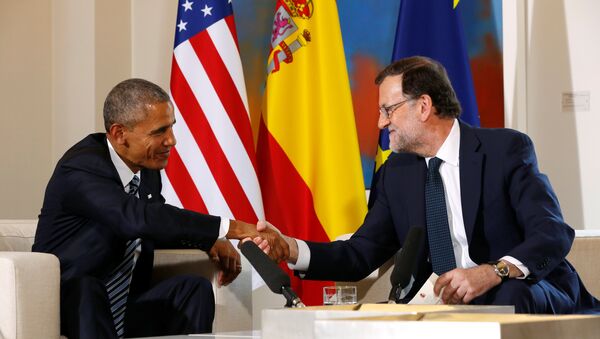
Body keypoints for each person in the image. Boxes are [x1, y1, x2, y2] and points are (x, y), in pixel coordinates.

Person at [272, 56, 598, 313]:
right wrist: (292, 248)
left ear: (424, 106)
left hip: (522, 287)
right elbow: (361, 254)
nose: (381, 123)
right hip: (440, 301)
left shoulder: (505, 151)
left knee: (507, 294)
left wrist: (492, 272)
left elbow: (552, 233)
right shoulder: (396, 173)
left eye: (389, 110)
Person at [33, 78, 288, 339]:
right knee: (86, 288)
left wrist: (208, 241)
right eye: (159, 132)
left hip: (122, 307)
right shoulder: (81, 167)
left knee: (192, 290)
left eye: (172, 128)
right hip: (72, 303)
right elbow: (135, 219)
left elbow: (158, 223)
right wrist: (230, 228)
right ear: (120, 134)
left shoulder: (146, 170)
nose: (172, 141)